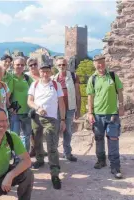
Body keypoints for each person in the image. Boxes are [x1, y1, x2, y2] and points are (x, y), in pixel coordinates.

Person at [27, 55, 66, 189]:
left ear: (51, 72)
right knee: (37, 141)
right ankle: (39, 160)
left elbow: (61, 102)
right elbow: (29, 101)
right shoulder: (35, 84)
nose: (44, 73)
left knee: (52, 146)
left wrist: (62, 119)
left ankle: (54, 174)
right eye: (42, 71)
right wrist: (37, 107)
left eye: (47, 71)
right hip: (37, 117)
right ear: (40, 71)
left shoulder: (56, 85)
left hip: (51, 119)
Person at [86, 55, 124, 179]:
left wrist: (121, 105)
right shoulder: (92, 79)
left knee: (113, 140)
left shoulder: (112, 76)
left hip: (112, 113)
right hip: (98, 115)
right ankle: (101, 160)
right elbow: (90, 97)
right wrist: (90, 113)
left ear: (105, 63)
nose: (100, 65)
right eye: (97, 63)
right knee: (99, 139)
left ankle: (115, 166)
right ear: (94, 65)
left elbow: (120, 91)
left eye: (102, 63)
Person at [53, 56, 81, 162]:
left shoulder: (74, 76)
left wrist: (78, 109)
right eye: (59, 65)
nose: (61, 66)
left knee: (68, 131)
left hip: (69, 107)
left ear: (67, 65)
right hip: (56, 109)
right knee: (55, 131)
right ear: (56, 66)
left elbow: (78, 93)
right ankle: (54, 153)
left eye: (63, 64)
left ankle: (67, 153)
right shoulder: (53, 79)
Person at [10, 56, 33, 152]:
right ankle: (16, 158)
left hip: (26, 111)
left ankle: (24, 158)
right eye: (17, 64)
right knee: (15, 136)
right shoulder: (9, 77)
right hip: (14, 112)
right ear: (13, 65)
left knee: (26, 136)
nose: (20, 66)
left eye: (22, 65)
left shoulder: (27, 78)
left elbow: (34, 92)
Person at [25, 57, 47, 158]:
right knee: (32, 131)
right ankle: (34, 150)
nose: (33, 66)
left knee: (39, 130)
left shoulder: (42, 75)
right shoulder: (26, 76)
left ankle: (39, 150)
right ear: (28, 67)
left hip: (42, 107)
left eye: (35, 64)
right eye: (31, 65)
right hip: (30, 107)